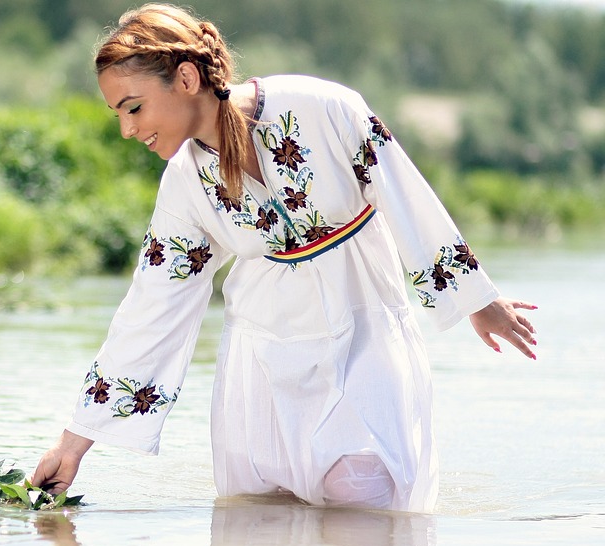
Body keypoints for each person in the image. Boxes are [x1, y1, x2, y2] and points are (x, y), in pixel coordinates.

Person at [31, 3, 538, 513]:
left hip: (364, 340)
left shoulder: (322, 107)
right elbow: (150, 308)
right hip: (262, 369)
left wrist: (477, 299)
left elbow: (404, 194)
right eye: (118, 113)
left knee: (365, 504)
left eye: (133, 107)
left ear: (186, 77)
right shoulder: (186, 183)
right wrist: (72, 445)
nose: (127, 129)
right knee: (259, 533)